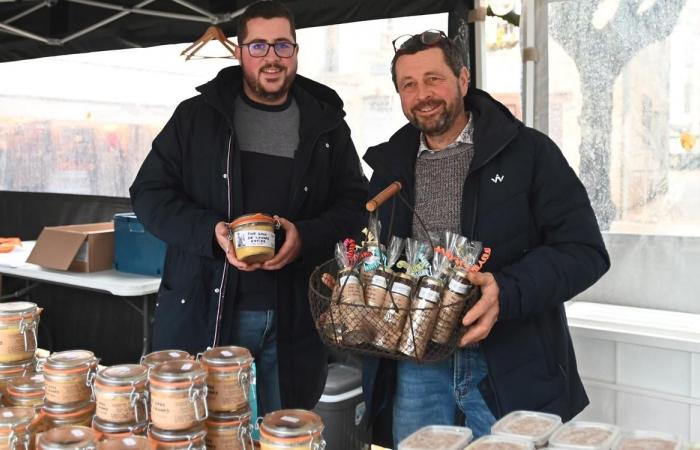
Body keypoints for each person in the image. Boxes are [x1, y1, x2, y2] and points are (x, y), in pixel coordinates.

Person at [361, 30, 610, 446]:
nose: (422, 93)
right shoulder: (387, 170)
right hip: (418, 364)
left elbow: (585, 251)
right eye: (409, 84)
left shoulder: (529, 153)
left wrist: (505, 292)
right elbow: (377, 258)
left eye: (433, 78)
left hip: (511, 363)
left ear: (462, 79)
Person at [129, 1, 367, 415]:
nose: (271, 58)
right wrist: (210, 233)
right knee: (209, 433)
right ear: (239, 51)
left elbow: (354, 206)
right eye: (258, 46)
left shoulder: (326, 125)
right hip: (207, 312)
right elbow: (149, 193)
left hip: (294, 320)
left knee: (281, 431)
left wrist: (305, 237)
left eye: (282, 46)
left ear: (295, 51)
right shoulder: (196, 118)